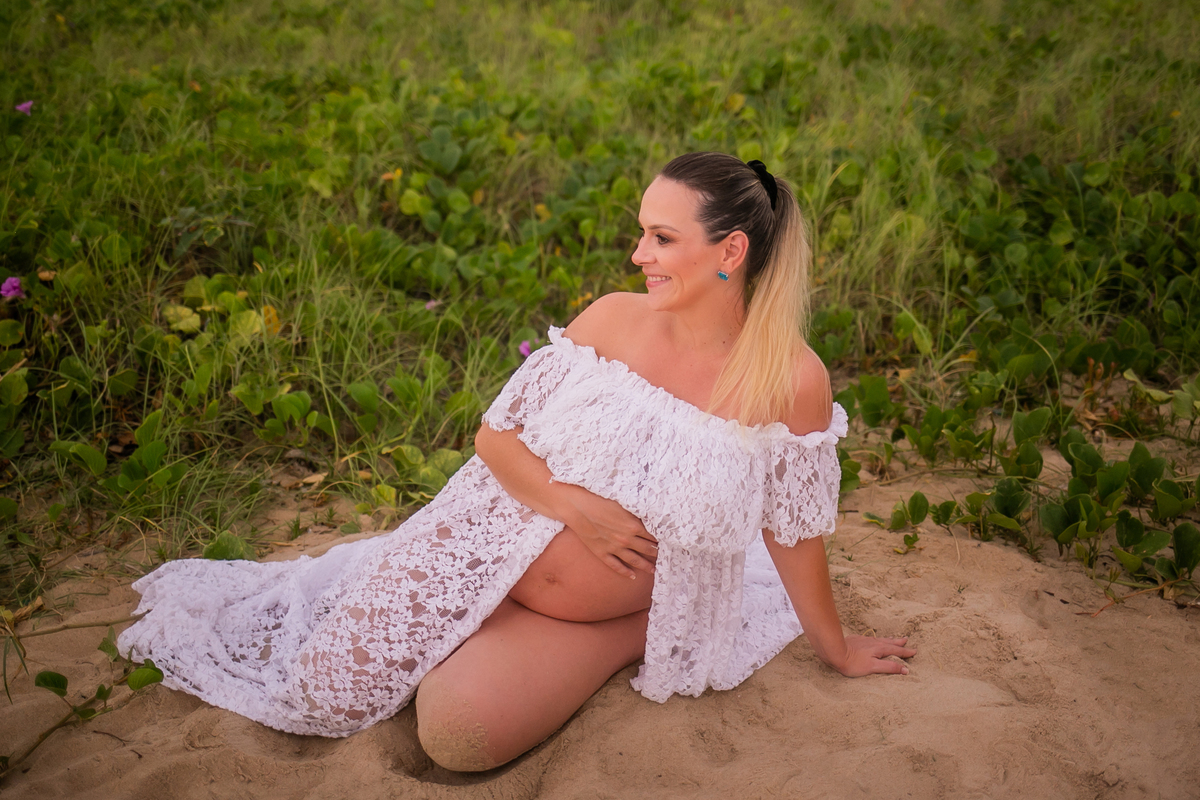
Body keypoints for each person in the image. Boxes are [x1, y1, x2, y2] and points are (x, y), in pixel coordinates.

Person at [118, 152, 915, 774]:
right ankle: (462, 616)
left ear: (730, 249)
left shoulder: (790, 380)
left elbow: (792, 532)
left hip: (593, 610)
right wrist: (572, 505)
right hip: (483, 540)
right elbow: (496, 439)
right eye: (642, 231)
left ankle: (636, 630)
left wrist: (836, 648)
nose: (638, 253)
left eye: (662, 238)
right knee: (327, 692)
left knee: (456, 735)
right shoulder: (613, 320)